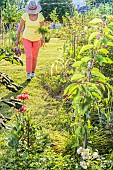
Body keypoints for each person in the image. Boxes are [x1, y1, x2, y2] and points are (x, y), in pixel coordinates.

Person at [15, 0, 45, 80]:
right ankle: (28, 73)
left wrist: (43, 39)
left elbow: (43, 29)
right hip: (26, 38)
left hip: (37, 39)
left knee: (35, 56)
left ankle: (33, 73)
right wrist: (17, 39)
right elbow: (20, 29)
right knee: (29, 56)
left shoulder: (40, 16)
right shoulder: (25, 15)